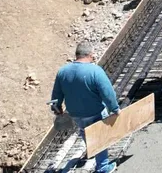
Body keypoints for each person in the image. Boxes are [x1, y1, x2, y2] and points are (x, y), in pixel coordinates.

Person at [50, 42, 120, 173]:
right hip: (95, 112)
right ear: (90, 55)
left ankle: (92, 148)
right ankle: (103, 167)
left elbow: (56, 96)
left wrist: (57, 109)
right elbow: (108, 93)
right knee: (100, 136)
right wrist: (115, 109)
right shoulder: (95, 71)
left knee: (85, 131)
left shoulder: (63, 72)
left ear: (76, 55)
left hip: (75, 114)